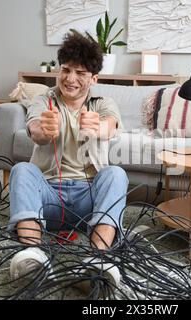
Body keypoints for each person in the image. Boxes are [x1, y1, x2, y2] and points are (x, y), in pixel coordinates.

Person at [8, 31, 129, 289]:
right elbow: (36, 131)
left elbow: (110, 125)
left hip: (89, 201)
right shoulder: (43, 100)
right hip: (49, 198)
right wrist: (44, 129)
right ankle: (33, 257)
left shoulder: (103, 102)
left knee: (116, 174)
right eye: (65, 70)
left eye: (80, 73)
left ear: (93, 78)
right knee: (21, 169)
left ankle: (99, 260)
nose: (70, 79)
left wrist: (99, 126)